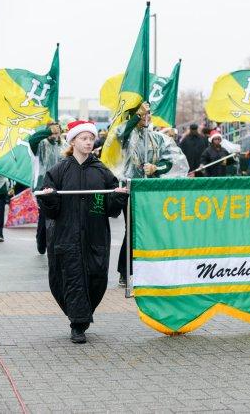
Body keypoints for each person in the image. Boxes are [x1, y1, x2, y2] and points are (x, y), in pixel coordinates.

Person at [37, 121, 128, 343]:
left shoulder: (102, 171)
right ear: (73, 141)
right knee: (71, 277)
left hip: (95, 235)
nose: (88, 142)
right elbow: (51, 211)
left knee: (96, 277)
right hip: (66, 235)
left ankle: (83, 317)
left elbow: (110, 209)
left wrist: (117, 196)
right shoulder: (58, 170)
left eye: (91, 138)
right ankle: (78, 323)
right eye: (83, 138)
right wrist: (49, 198)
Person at [115, 102, 173, 287]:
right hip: (130, 189)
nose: (147, 117)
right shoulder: (126, 134)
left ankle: (148, 269)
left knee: (149, 230)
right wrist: (137, 116)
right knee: (131, 229)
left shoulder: (157, 138)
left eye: (148, 114)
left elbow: (169, 162)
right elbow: (120, 132)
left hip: (150, 190)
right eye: (142, 115)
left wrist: (156, 167)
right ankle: (125, 271)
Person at [28, 121, 66, 254]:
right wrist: (49, 131)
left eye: (57, 131)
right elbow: (32, 140)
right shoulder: (41, 144)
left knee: (59, 216)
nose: (55, 133)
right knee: (44, 215)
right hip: (42, 184)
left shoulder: (63, 146)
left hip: (60, 185)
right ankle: (41, 240)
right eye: (52, 131)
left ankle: (56, 242)